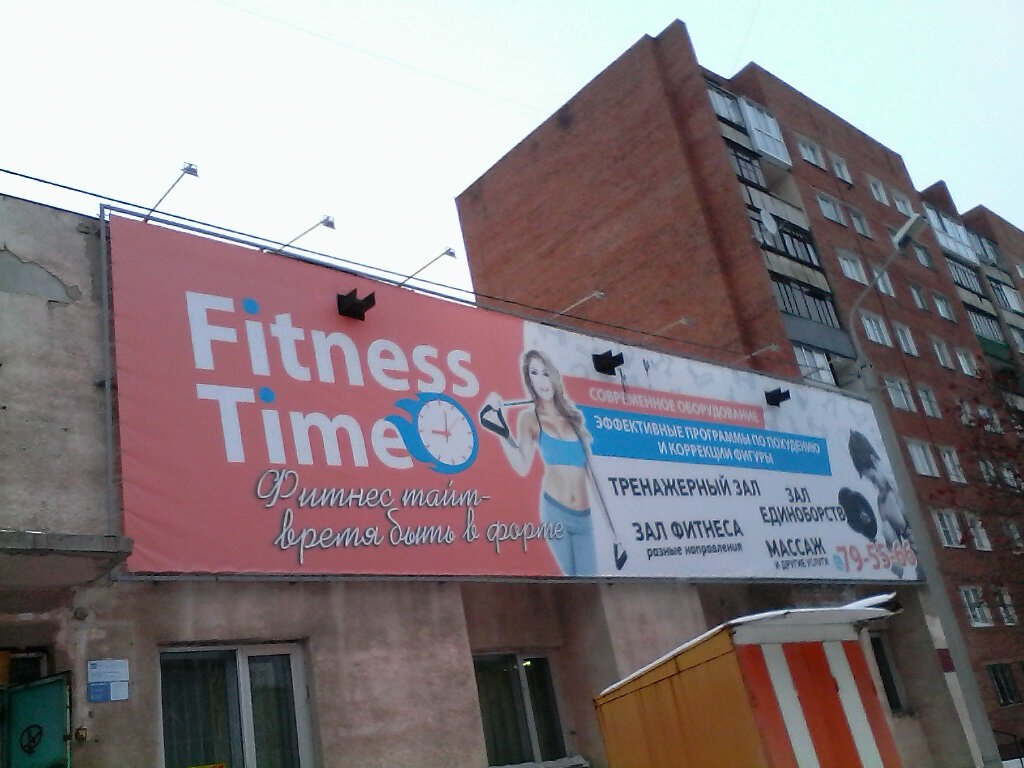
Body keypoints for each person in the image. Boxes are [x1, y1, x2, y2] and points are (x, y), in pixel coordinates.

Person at [484, 350, 595, 576]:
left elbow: (592, 472)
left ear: (553, 376)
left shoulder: (574, 417)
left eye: (545, 373)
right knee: (573, 582)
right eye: (534, 373)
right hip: (555, 513)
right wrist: (501, 430)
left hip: (585, 517)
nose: (542, 380)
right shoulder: (529, 418)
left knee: (589, 577)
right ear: (529, 380)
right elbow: (522, 466)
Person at [848, 430, 913, 551]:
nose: (875, 484)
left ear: (873, 460)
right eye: (870, 480)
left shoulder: (897, 482)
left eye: (873, 479)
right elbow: (892, 541)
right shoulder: (882, 501)